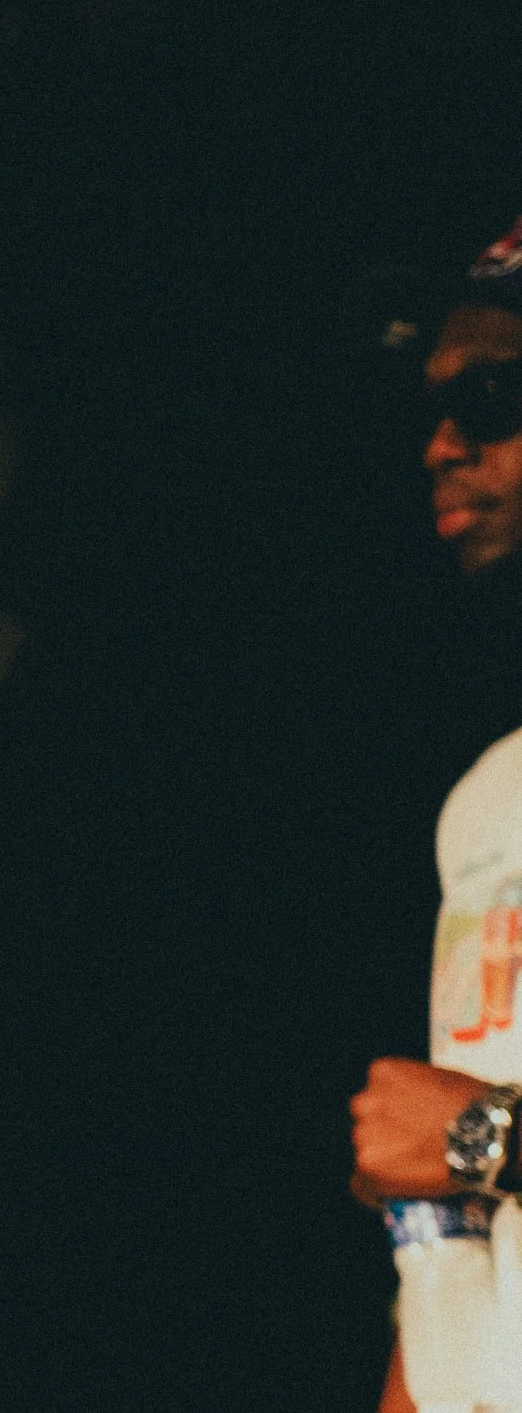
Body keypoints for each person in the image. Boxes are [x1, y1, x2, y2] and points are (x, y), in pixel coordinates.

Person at [352, 215, 522, 1413]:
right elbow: (444, 1231)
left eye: (497, 397)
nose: (441, 444)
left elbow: (460, 1139)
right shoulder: (485, 801)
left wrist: (483, 1143)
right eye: (432, 406)